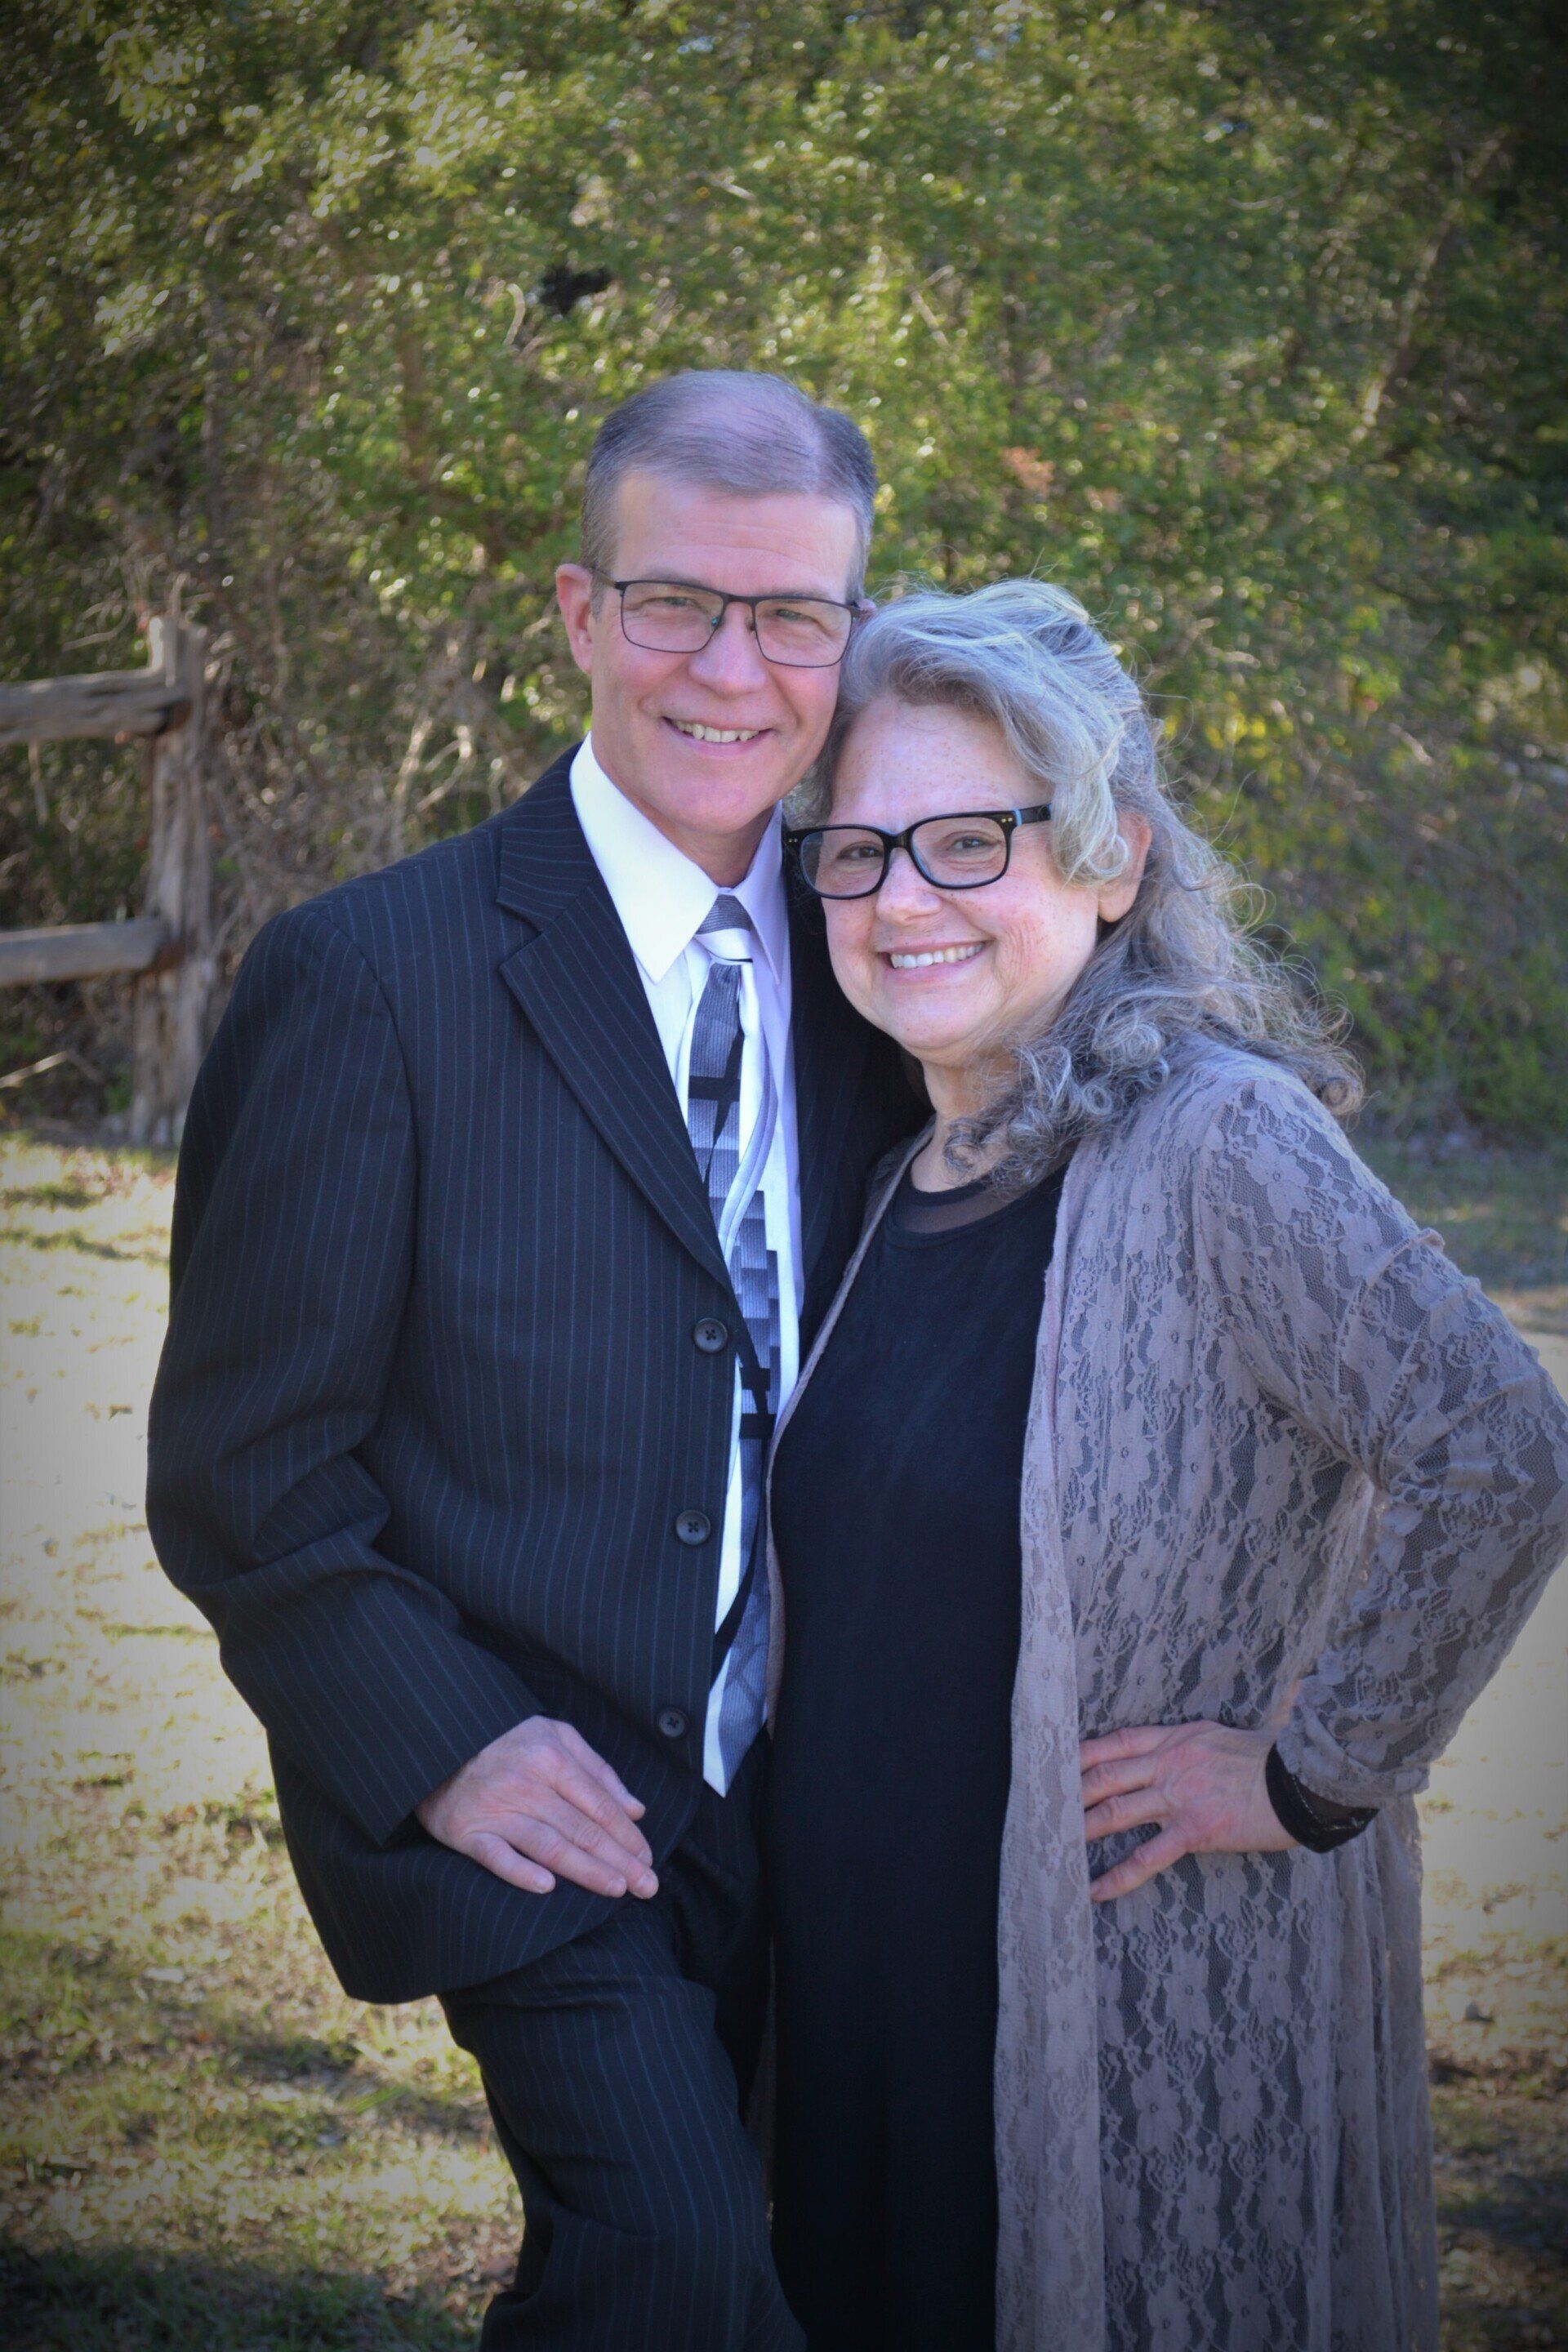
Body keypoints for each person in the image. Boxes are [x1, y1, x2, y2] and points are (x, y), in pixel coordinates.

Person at [146, 369, 921, 2350]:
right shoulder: (367, 977)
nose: (733, 671)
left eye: (793, 617)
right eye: (677, 604)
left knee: (818, 2273)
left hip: (832, 1794)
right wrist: (444, 1737)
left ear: (853, 633)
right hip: (543, 1789)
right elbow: (248, 1466)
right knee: (670, 2261)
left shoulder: (894, 970)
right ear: (579, 615)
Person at [764, 578, 1568, 2352]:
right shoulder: (914, 1172)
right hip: (865, 2028)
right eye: (863, 849)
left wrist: (1306, 1777)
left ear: (1111, 858)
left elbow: (1498, 1449)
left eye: (974, 841)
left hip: (1104, 2022)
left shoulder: (1217, 1139)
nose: (905, 896)